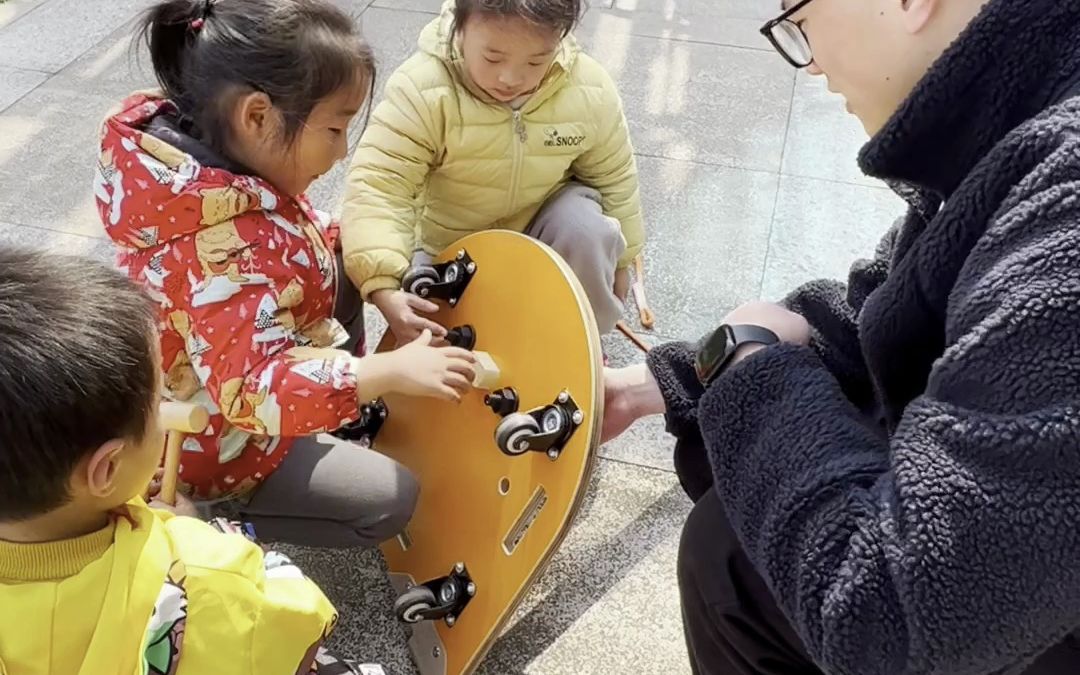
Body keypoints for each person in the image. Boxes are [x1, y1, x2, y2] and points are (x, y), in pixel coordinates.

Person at [602, 0, 1080, 673]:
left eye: (799, 18)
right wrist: (664, 381)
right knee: (734, 538)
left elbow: (896, 619)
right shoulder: (1019, 109)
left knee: (732, 560)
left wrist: (750, 370)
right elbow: (887, 311)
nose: (810, 61)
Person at [93, 0, 477, 548]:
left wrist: (382, 280)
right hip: (219, 445)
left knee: (347, 261)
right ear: (257, 116)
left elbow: (301, 239)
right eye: (335, 127)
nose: (344, 150)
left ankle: (338, 410)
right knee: (389, 500)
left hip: (243, 375)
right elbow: (251, 391)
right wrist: (386, 373)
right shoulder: (213, 253)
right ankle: (210, 524)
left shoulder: (209, 174)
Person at [0, 248, 377, 675]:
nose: (165, 408)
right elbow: (298, 626)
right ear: (106, 469)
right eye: (158, 399)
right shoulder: (204, 573)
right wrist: (200, 531)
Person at [340, 0, 645, 342]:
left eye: (536, 61)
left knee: (586, 226)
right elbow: (381, 186)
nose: (511, 78)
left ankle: (577, 342)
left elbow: (614, 176)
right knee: (441, 337)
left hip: (541, 235)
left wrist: (624, 258)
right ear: (460, 27)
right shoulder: (424, 89)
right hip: (453, 246)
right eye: (492, 57)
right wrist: (384, 284)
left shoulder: (588, 88)